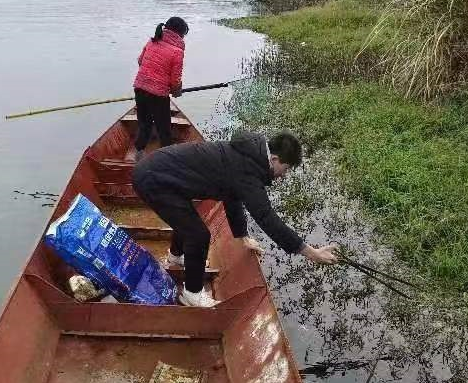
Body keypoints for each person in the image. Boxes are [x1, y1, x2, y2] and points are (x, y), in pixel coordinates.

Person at [132, 130, 340, 307]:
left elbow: (231, 196)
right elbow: (267, 218)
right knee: (198, 235)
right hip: (154, 180)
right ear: (274, 159)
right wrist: (310, 253)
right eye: (285, 170)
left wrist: (242, 236)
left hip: (160, 173)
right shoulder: (249, 170)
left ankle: (176, 257)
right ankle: (192, 294)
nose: (283, 176)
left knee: (187, 221)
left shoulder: (249, 155)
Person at [133, 17, 189, 160]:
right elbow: (175, 79)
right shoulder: (177, 51)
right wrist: (176, 91)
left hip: (139, 88)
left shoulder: (152, 41)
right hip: (157, 95)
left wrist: (151, 78)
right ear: (180, 34)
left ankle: (138, 154)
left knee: (144, 124)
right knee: (164, 129)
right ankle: (167, 159)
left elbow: (140, 61)